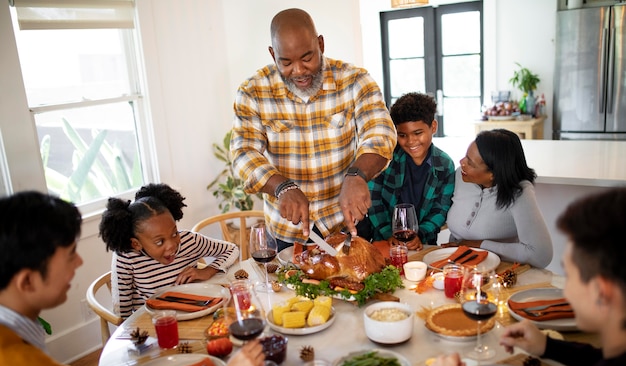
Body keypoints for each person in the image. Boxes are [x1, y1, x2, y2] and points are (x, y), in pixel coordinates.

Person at [0, 191, 265, 366]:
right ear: (27, 281)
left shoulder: (21, 348)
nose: (79, 263)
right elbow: (123, 315)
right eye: (71, 256)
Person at [425, 187, 626, 366]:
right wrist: (551, 347)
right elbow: (605, 362)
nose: (566, 290)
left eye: (570, 277)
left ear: (602, 292)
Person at [230, 8, 396, 251]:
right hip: (287, 234)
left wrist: (356, 175)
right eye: (286, 62)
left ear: (321, 44)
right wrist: (281, 186)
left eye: (307, 58)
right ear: (272, 54)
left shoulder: (355, 80)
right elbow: (243, 154)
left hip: (346, 226)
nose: (298, 71)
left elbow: (380, 134)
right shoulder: (252, 91)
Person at [99, 183, 239, 319]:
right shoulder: (126, 258)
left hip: (198, 315)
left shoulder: (188, 241)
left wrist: (207, 270)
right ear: (136, 244)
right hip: (155, 326)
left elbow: (231, 249)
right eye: (160, 241)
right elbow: (122, 312)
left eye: (174, 233)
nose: (172, 245)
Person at [359, 92, 455, 250]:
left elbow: (441, 209)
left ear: (433, 127)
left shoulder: (445, 165)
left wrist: (420, 235)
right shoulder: (385, 158)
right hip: (385, 242)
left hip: (423, 244)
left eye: (418, 133)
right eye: (402, 135)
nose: (411, 141)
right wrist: (388, 233)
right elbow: (373, 201)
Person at [444, 129, 552, 268]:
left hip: (499, 272)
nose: (461, 162)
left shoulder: (520, 193)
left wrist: (479, 245)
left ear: (493, 174)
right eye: (466, 156)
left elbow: (541, 255)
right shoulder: (461, 175)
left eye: (470, 163)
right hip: (455, 266)